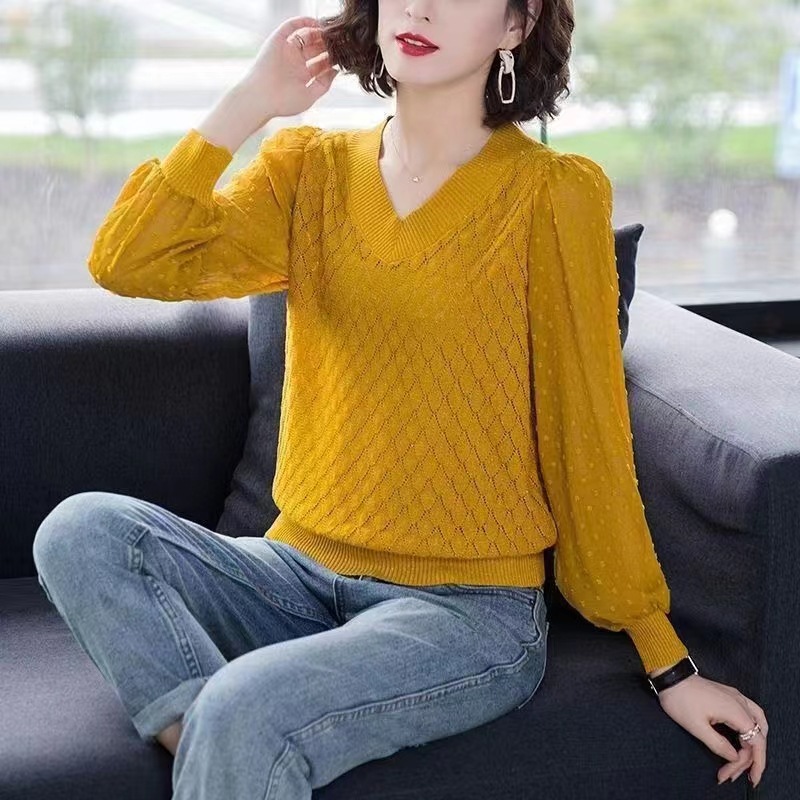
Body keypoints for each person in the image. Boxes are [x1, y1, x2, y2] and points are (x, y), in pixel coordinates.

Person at [33, 1, 767, 796]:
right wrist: (249, 102)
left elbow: (585, 430)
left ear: (517, 26)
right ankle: (216, 744)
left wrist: (666, 660)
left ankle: (236, 736)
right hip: (294, 575)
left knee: (244, 709)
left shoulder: (552, 193)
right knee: (83, 531)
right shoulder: (308, 169)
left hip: (465, 613)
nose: (419, 7)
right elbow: (130, 259)